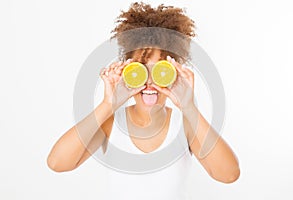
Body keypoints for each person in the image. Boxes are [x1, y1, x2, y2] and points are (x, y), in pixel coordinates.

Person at [47, 2, 240, 199]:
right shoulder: (111, 123)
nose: (148, 82)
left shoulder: (185, 125)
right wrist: (108, 105)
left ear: (174, 73)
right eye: (141, 70)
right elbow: (57, 163)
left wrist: (189, 107)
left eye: (159, 71)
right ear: (127, 72)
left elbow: (229, 175)